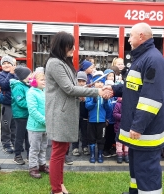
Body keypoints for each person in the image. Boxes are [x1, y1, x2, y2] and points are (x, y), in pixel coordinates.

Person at [106, 22, 164, 194]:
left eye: (131, 35)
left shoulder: (153, 60)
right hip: (139, 130)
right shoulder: (142, 57)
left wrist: (138, 125)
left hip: (146, 132)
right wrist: (114, 89)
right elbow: (133, 86)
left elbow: (152, 98)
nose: (128, 38)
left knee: (147, 172)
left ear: (141, 36)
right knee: (136, 169)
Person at [45, 31, 110, 194]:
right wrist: (96, 91)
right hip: (60, 114)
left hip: (65, 113)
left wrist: (83, 93)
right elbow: (69, 88)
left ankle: (59, 185)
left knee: (61, 151)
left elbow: (70, 88)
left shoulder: (63, 62)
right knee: (58, 153)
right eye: (71, 45)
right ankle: (56, 189)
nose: (74, 48)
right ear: (62, 46)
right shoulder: (54, 63)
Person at [26, 67, 49, 179]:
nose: (44, 81)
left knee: (43, 147)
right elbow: (33, 111)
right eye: (42, 80)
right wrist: (45, 121)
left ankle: (42, 164)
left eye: (45, 80)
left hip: (45, 127)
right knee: (35, 148)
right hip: (35, 127)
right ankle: (33, 167)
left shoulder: (45, 91)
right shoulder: (31, 92)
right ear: (34, 81)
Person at [85, 71, 112, 163]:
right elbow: (87, 106)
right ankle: (92, 155)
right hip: (91, 121)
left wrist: (105, 102)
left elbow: (109, 108)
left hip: (102, 121)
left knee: (101, 138)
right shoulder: (90, 93)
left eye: (101, 82)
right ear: (93, 83)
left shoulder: (106, 93)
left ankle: (100, 154)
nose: (99, 84)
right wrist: (93, 101)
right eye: (97, 82)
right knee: (91, 138)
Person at [11, 66, 32, 165]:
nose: (31, 76)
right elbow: (20, 102)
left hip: (27, 115)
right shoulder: (18, 87)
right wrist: (32, 105)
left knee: (28, 136)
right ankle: (17, 155)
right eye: (30, 74)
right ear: (24, 76)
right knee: (19, 136)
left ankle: (29, 154)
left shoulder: (27, 85)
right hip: (20, 116)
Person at [0, 55, 17, 154]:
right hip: (6, 104)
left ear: (13, 64)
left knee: (14, 125)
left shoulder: (16, 74)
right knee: (6, 125)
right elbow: (4, 85)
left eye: (8, 63)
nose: (6, 65)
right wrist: (11, 73)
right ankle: (6, 143)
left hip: (16, 104)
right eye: (4, 63)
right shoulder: (0, 75)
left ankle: (14, 142)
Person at [102, 69, 117, 158]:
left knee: (113, 135)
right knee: (106, 136)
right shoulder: (105, 96)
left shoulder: (116, 96)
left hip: (114, 120)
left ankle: (111, 148)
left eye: (112, 76)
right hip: (106, 119)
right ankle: (105, 149)